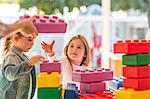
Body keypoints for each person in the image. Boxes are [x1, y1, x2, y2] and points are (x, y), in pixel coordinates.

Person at [0, 23, 45, 99]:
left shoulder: (23, 56)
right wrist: (29, 63)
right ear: (15, 38)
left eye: (34, 40)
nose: (33, 43)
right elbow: (10, 75)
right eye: (29, 39)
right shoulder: (11, 56)